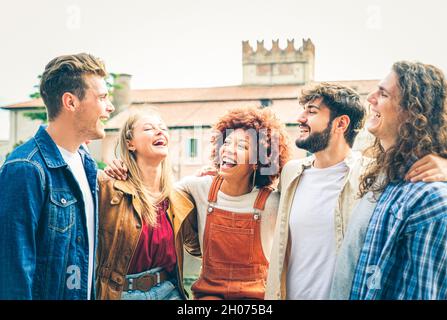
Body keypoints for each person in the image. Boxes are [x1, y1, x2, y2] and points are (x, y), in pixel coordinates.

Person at [265, 82, 447, 300]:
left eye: (312, 111)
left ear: (341, 123)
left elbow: (421, 175)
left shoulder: (374, 175)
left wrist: (446, 164)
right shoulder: (290, 173)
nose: (300, 118)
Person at [105, 107, 291, 299]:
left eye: (242, 146)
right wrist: (122, 166)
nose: (228, 149)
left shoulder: (271, 202)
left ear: (258, 161)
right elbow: (152, 192)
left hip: (255, 297)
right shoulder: (197, 188)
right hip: (209, 294)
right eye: (226, 142)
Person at [0, 53, 114, 299]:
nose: (110, 107)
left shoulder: (87, 164)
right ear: (70, 102)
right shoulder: (25, 168)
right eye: (102, 97)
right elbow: (13, 273)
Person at [345, 61, 447, 300]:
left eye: (383, 94)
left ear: (412, 111)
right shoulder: (385, 178)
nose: (370, 98)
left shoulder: (431, 200)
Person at [96, 111, 200, 300]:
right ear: (130, 143)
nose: (159, 132)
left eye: (162, 128)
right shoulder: (109, 189)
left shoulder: (178, 199)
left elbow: (199, 248)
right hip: (121, 294)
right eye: (149, 128)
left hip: (170, 292)